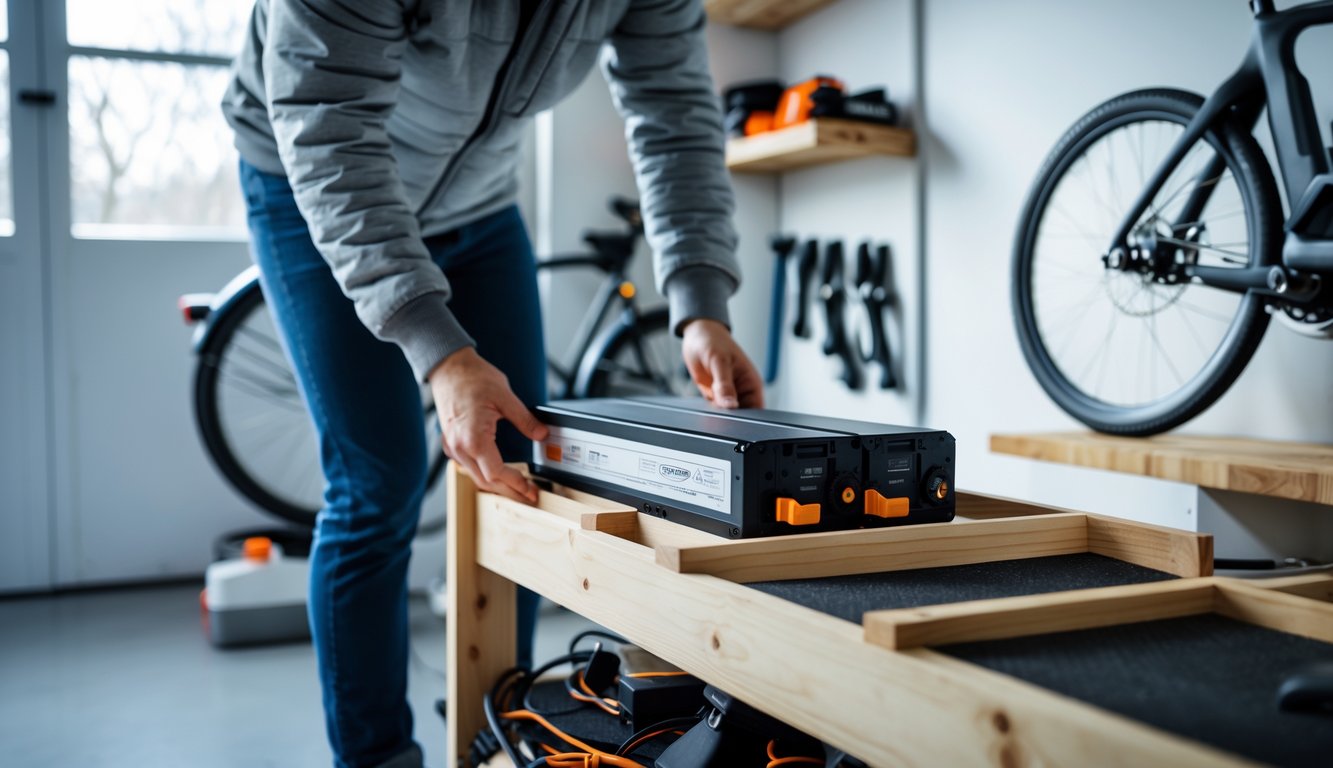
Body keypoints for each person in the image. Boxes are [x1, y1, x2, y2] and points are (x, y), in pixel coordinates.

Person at [222, 1, 763, 766]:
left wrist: (700, 306)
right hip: (309, 172)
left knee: (522, 470)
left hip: (476, 200)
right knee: (378, 485)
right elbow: (327, 119)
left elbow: (673, 112)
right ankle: (377, 756)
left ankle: (499, 728)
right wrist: (438, 350)